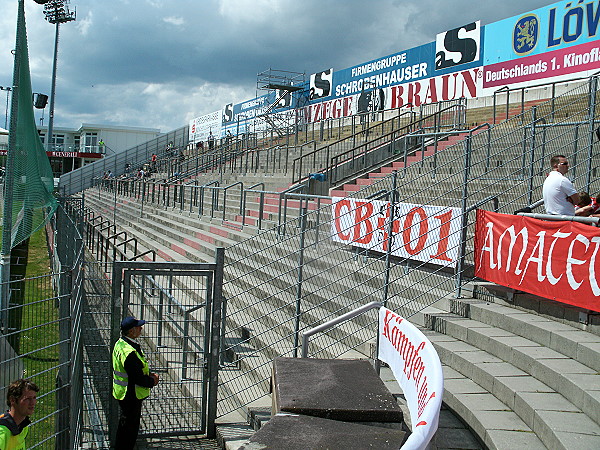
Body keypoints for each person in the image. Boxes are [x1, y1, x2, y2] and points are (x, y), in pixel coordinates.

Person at [112, 316, 159, 450]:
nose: (141, 328)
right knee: (130, 429)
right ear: (132, 331)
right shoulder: (129, 352)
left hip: (123, 392)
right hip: (130, 394)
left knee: (125, 425)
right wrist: (152, 380)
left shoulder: (121, 343)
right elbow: (136, 377)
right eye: (139, 327)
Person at [0, 379, 39, 450]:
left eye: (34, 398)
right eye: (27, 399)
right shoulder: (2, 433)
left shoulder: (23, 426)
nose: (33, 403)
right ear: (12, 400)